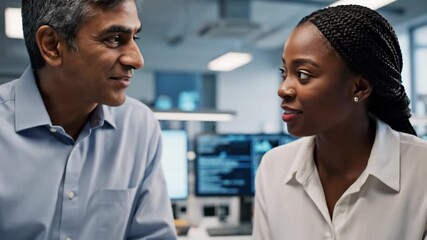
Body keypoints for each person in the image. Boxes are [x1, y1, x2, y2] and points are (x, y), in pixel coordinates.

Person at [0, 0, 177, 239]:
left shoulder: (138, 126)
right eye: (114, 38)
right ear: (52, 45)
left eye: (135, 37)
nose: (137, 60)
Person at [253, 4, 427, 240]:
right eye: (284, 73)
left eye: (303, 75)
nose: (283, 89)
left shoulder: (421, 170)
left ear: (359, 87)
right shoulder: (273, 168)